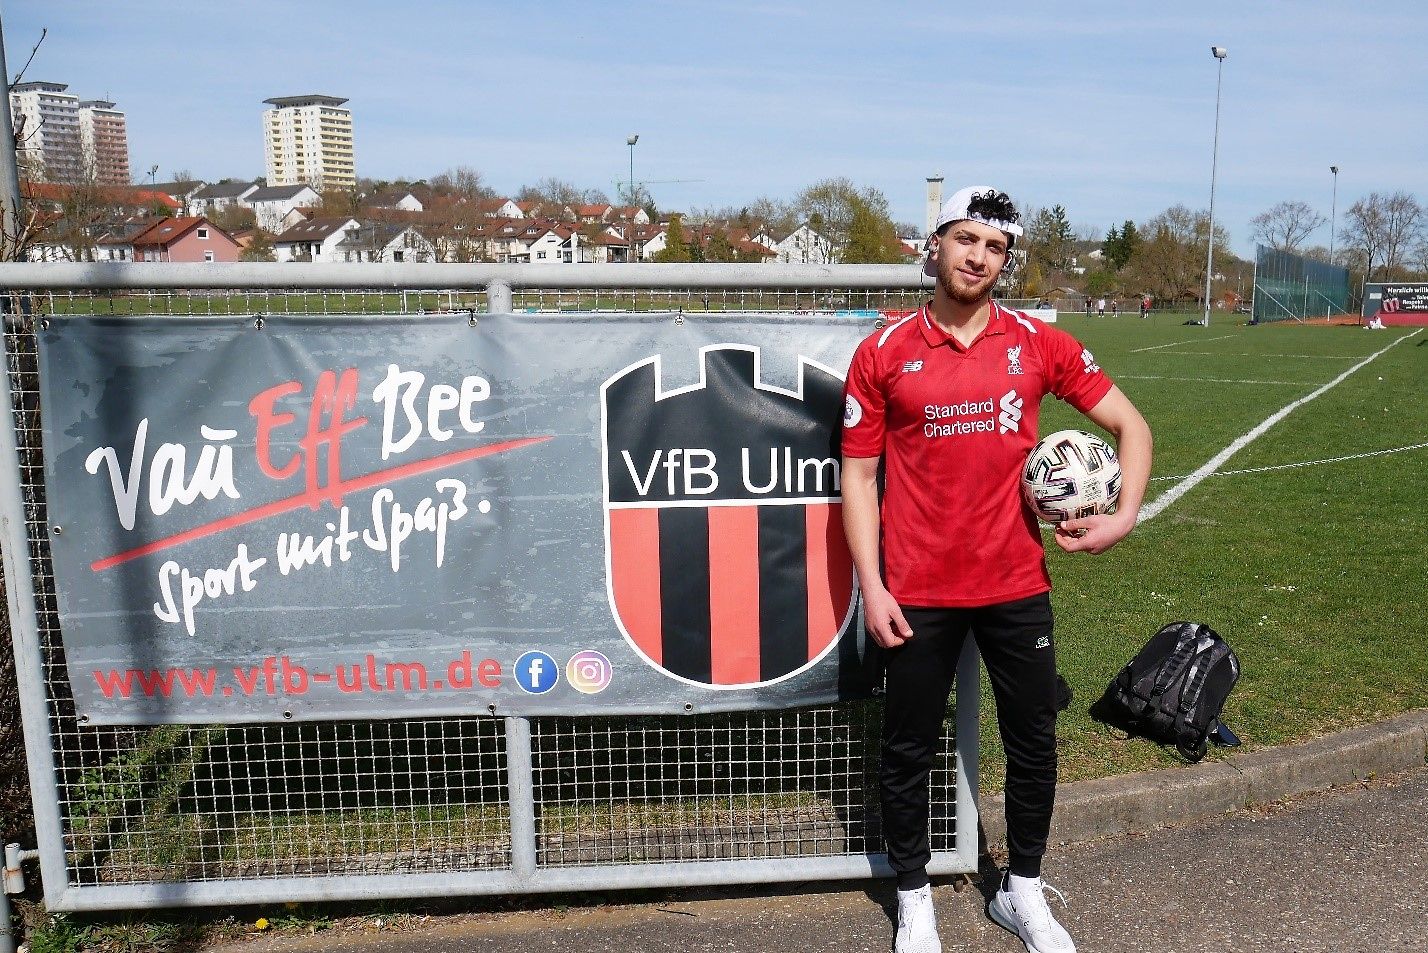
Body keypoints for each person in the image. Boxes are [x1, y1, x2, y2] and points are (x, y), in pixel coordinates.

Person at [841, 185, 1152, 953]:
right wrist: (871, 585)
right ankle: (913, 898)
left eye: (995, 246)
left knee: (1034, 739)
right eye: (966, 238)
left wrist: (1124, 514)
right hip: (915, 588)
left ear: (1005, 261)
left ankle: (1020, 892)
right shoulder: (883, 351)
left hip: (1016, 580)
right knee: (909, 744)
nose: (979, 256)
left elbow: (1129, 424)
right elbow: (856, 477)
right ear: (937, 244)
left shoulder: (1037, 342)